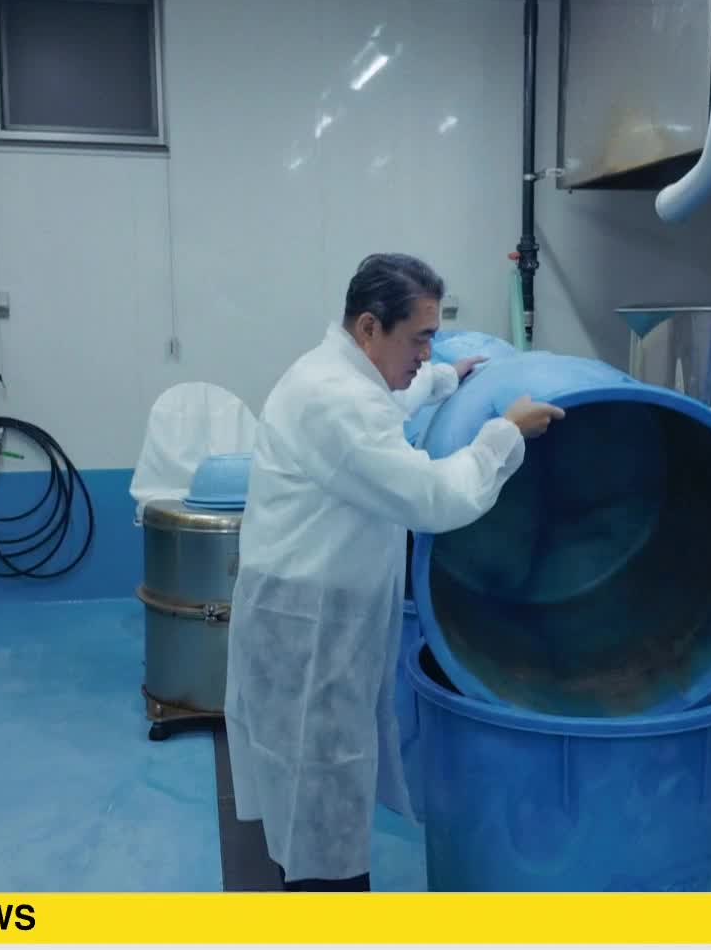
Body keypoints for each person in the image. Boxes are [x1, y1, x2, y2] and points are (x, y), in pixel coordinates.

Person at [224, 252, 564, 892]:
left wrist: (445, 378)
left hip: (311, 610)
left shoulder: (340, 373)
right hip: (308, 628)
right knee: (318, 787)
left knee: (312, 783)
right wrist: (504, 434)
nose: (426, 351)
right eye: (420, 338)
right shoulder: (335, 401)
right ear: (369, 329)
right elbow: (435, 499)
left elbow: (392, 394)